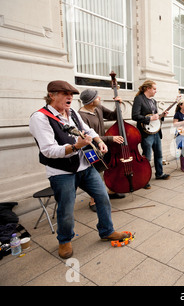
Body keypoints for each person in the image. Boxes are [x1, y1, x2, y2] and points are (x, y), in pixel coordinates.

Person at [29, 81, 130, 259]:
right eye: (65, 93)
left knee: (103, 197)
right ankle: (64, 240)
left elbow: (87, 129)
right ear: (52, 95)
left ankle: (107, 231)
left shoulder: (72, 112)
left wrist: (98, 141)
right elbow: (48, 150)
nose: (70, 97)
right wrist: (76, 147)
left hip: (85, 166)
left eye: (72, 94)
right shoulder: (40, 118)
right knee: (66, 209)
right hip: (62, 173)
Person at [78, 89, 125, 212]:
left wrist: (118, 105)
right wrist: (111, 138)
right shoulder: (81, 116)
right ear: (90, 101)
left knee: (108, 169)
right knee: (97, 173)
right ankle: (93, 201)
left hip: (103, 145)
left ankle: (111, 191)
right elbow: (87, 137)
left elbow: (113, 116)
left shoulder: (98, 108)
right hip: (91, 148)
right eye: (96, 97)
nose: (99, 98)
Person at [132, 80, 170, 189]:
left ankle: (159, 174)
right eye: (154, 89)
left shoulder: (153, 101)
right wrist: (149, 118)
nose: (155, 91)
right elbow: (135, 116)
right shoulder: (139, 99)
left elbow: (155, 117)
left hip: (156, 131)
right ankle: (144, 179)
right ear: (147, 88)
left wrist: (162, 115)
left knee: (159, 154)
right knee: (147, 157)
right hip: (146, 133)